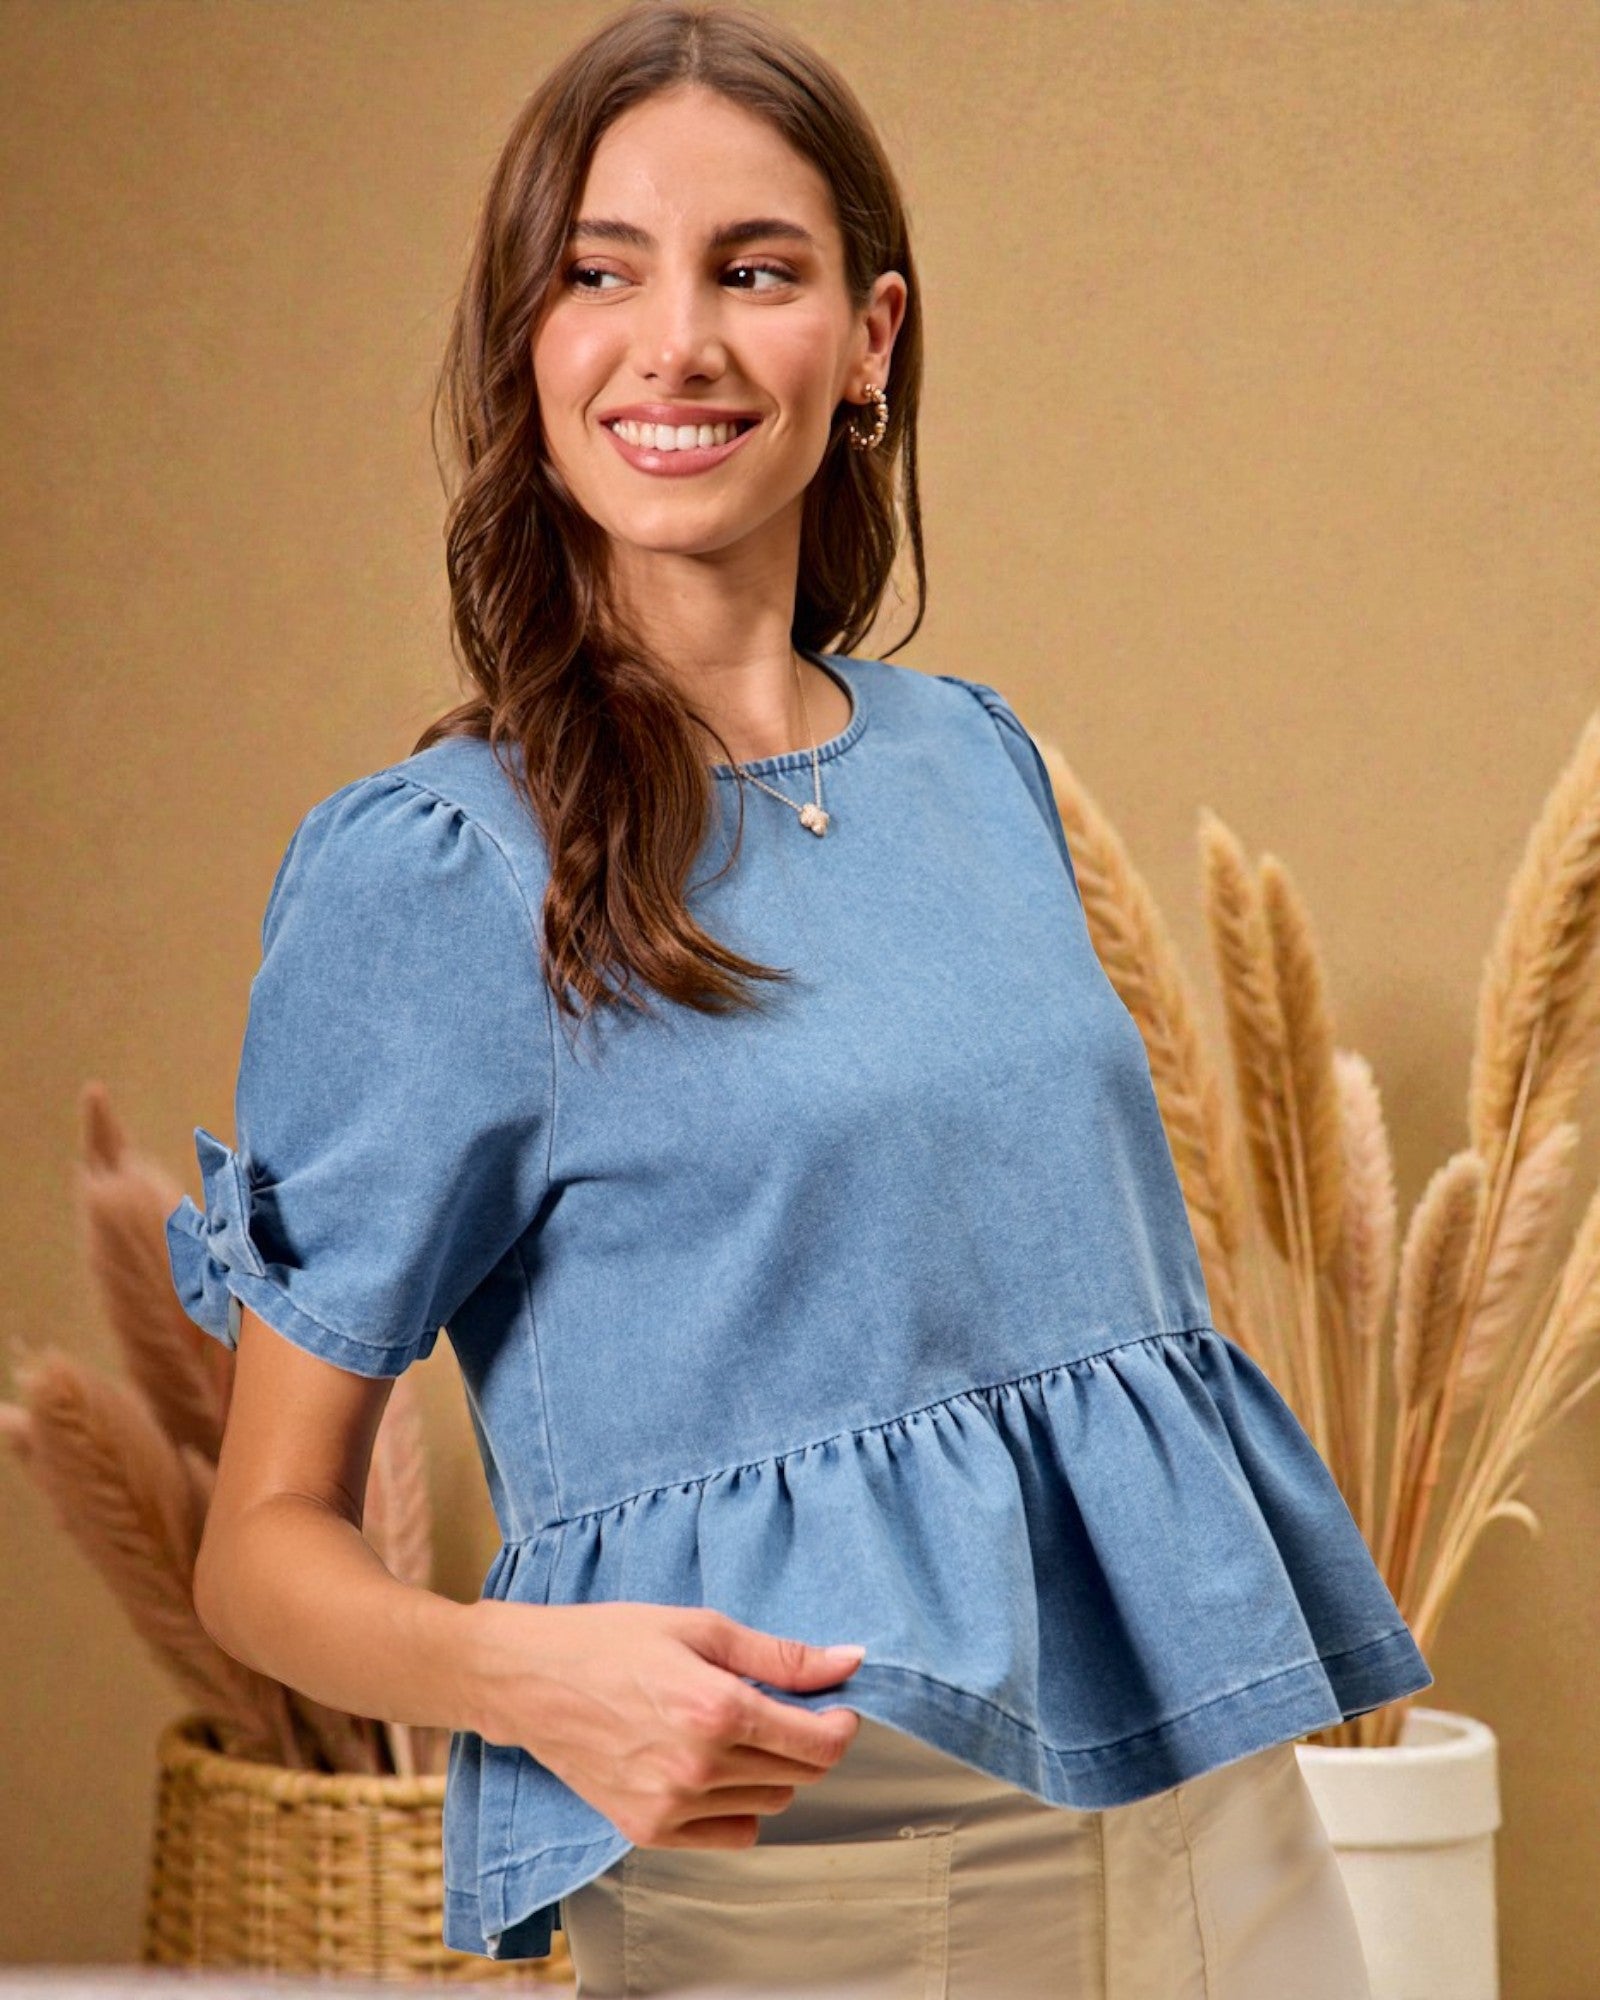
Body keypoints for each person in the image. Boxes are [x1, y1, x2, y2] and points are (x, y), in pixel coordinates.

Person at [166, 5, 1432, 1995]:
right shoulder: (440, 872)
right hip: (829, 1860)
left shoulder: (970, 756)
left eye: (752, 270)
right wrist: (534, 1682)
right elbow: (259, 1544)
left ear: (867, 341)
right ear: (530, 342)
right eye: (598, 274)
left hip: (1217, 1824)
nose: (673, 340)